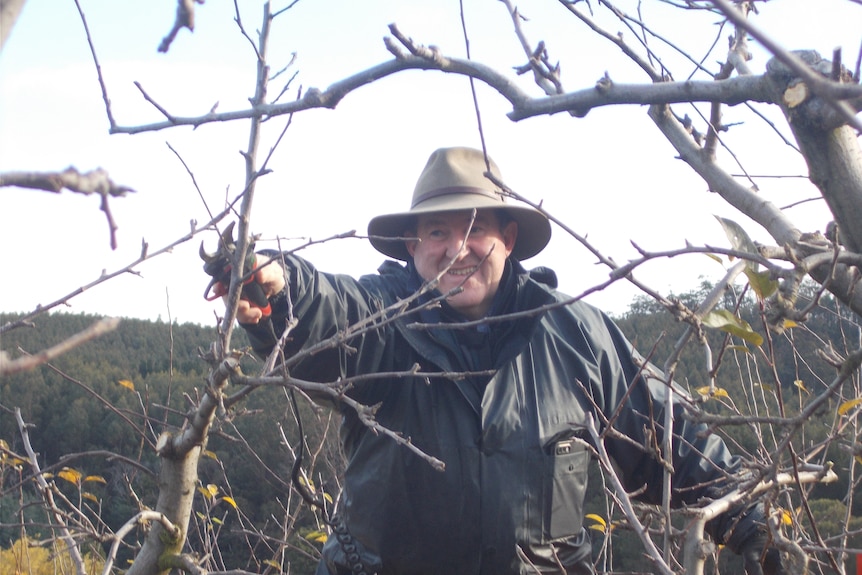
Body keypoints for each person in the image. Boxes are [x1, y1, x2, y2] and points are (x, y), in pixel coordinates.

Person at [231, 147, 784, 575]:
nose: (456, 248)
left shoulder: (576, 334)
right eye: (437, 231)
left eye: (476, 229)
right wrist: (281, 290)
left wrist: (754, 524)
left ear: (510, 238)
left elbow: (670, 439)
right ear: (412, 246)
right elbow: (331, 313)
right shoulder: (382, 324)